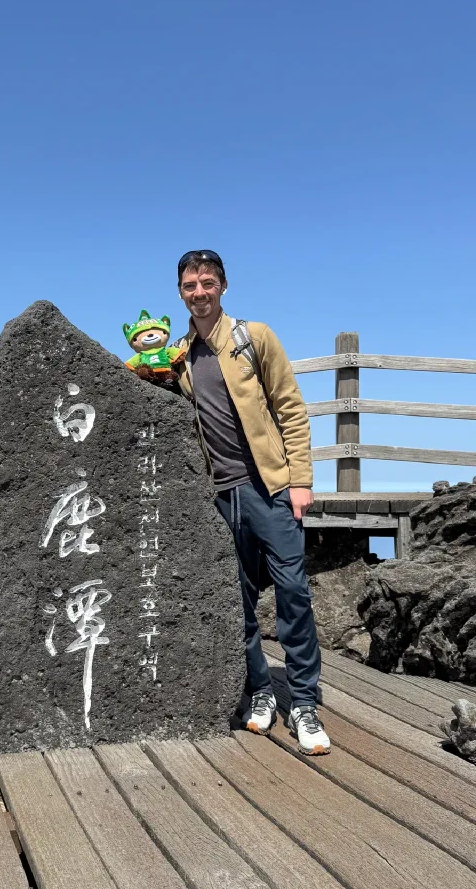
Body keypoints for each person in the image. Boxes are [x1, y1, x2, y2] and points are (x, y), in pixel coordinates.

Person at [173, 249, 330, 755]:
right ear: (180, 292)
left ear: (223, 286)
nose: (200, 293)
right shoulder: (179, 356)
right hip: (219, 496)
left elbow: (290, 406)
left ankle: (304, 701)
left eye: (208, 283)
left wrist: (300, 480)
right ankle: (260, 690)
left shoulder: (253, 337)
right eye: (191, 285)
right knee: (235, 600)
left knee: (293, 593)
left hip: (271, 487)